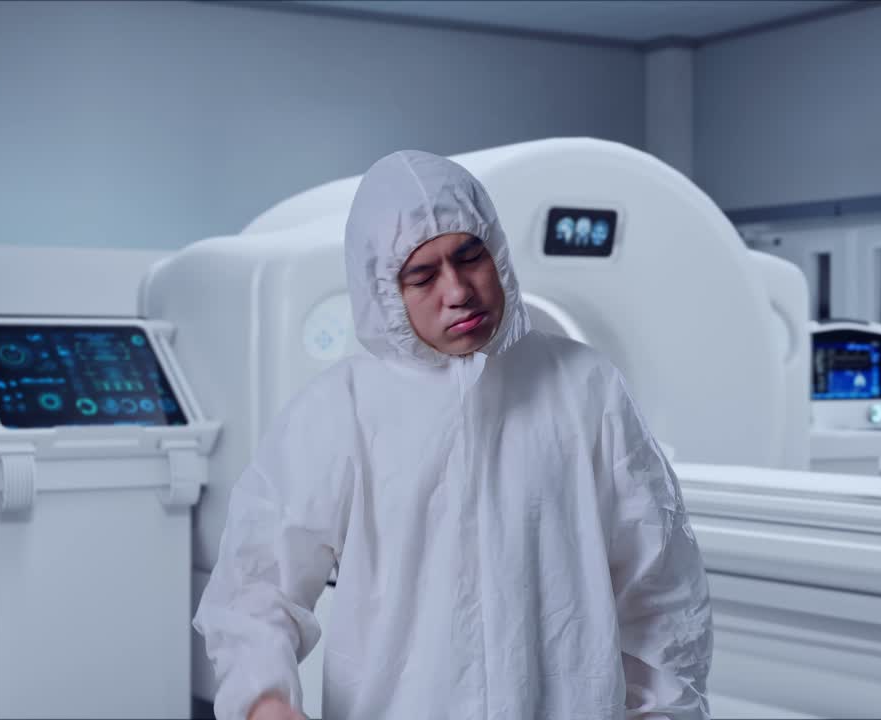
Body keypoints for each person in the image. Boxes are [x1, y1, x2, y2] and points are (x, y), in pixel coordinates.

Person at [194, 150, 713, 720]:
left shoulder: (587, 389)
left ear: (497, 251)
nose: (458, 290)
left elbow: (659, 585)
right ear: (384, 291)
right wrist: (265, 699)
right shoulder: (343, 410)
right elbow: (257, 584)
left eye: (471, 258)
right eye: (423, 275)